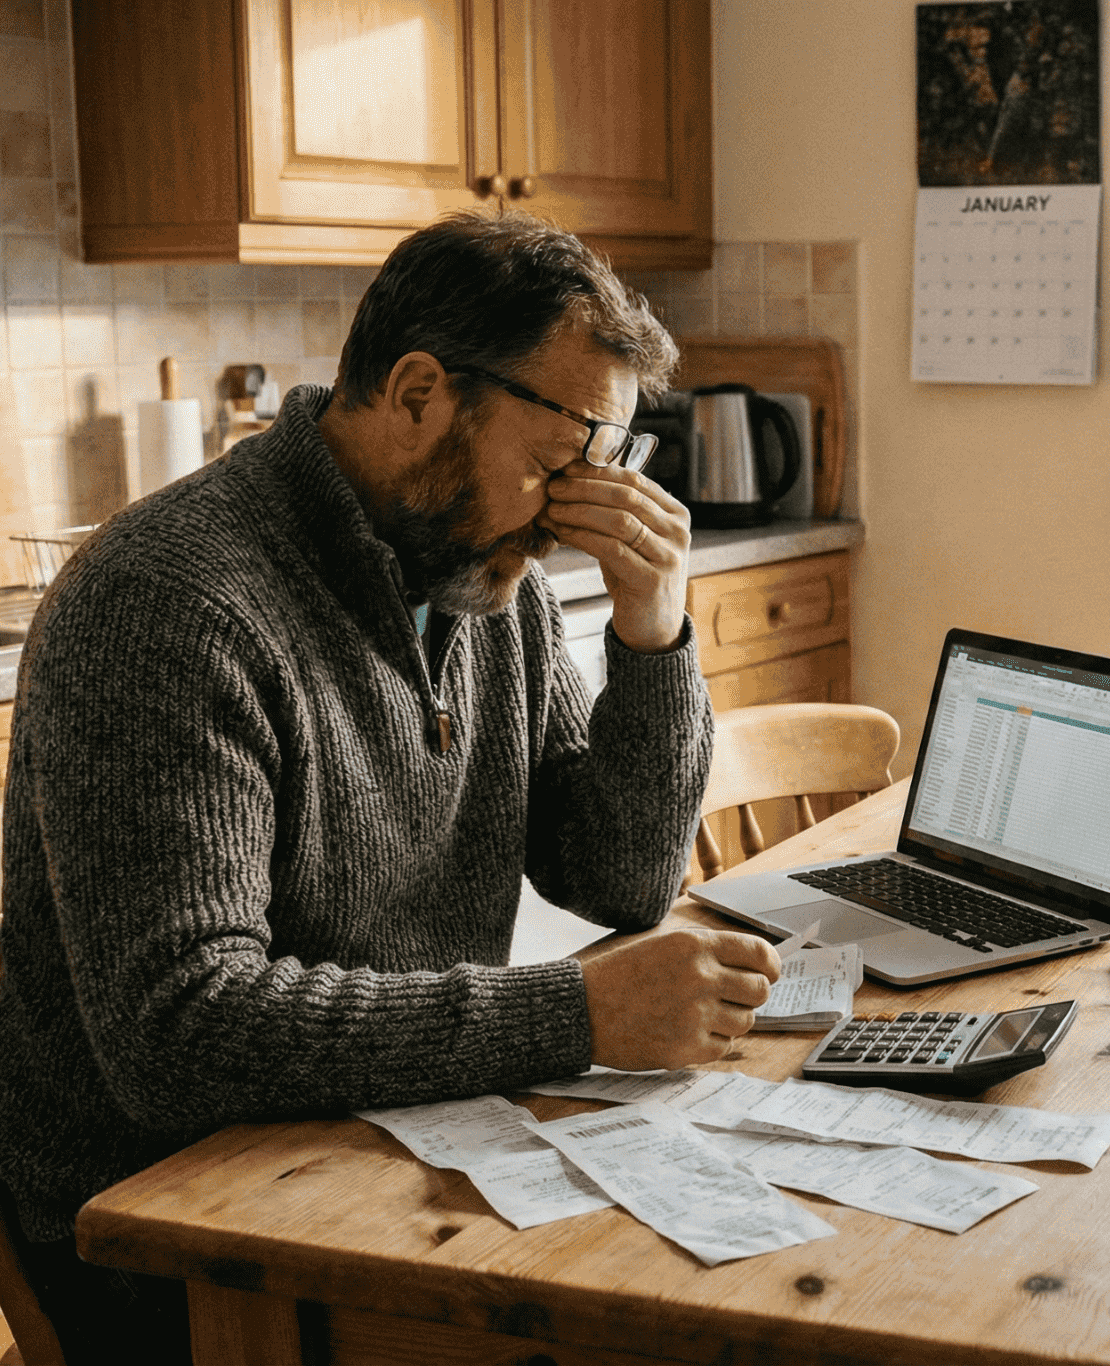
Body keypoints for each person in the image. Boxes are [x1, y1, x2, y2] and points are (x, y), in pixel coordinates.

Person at [0, 209, 780, 1364]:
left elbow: (617, 876)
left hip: (392, 1144)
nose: (573, 517)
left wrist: (653, 634)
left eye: (602, 471)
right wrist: (575, 1013)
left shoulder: (481, 579)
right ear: (419, 392)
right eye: (557, 463)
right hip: (166, 1233)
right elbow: (179, 1033)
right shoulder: (172, 604)